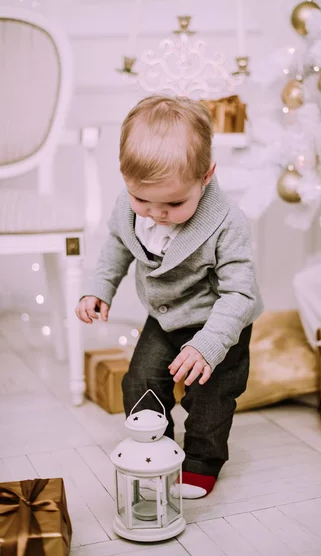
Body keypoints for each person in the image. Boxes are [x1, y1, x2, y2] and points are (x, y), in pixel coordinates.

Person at [76, 95, 263, 498]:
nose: (156, 214)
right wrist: (99, 288)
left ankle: (201, 461)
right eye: (142, 199)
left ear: (206, 176)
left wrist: (209, 346)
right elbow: (117, 245)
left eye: (174, 203)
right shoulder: (131, 211)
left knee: (209, 398)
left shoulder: (228, 222)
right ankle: (154, 447)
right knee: (141, 381)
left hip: (217, 325)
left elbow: (240, 293)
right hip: (164, 320)